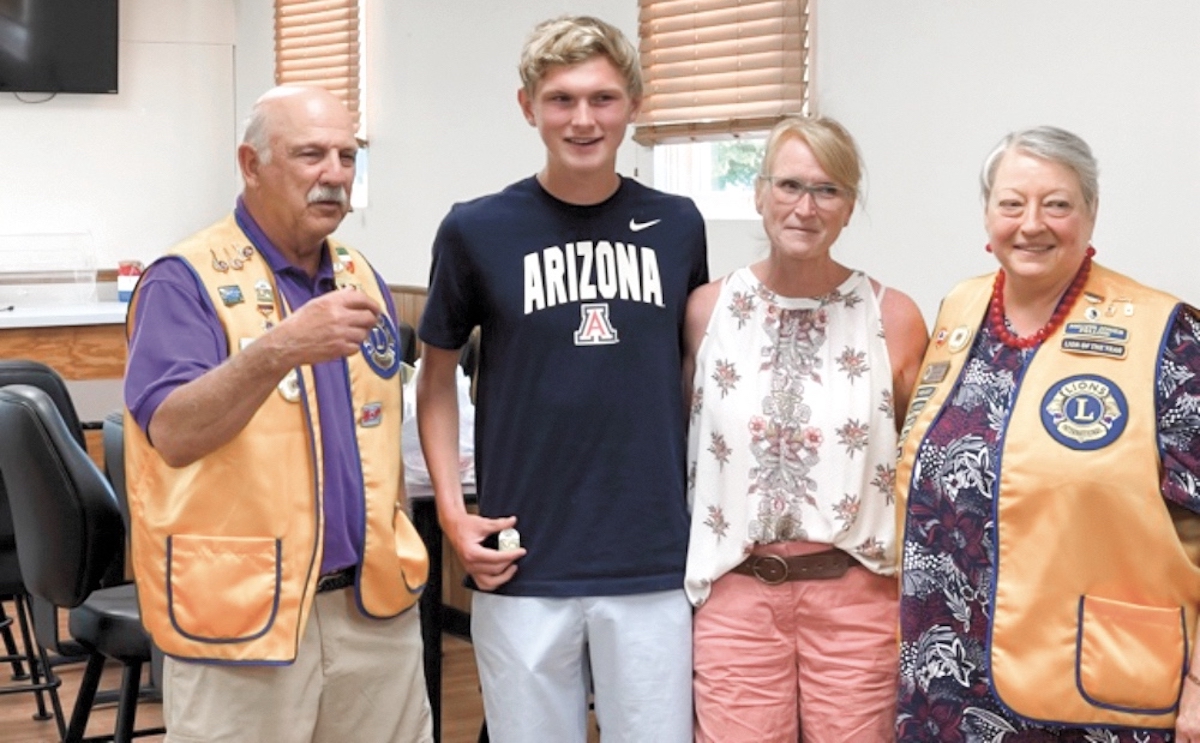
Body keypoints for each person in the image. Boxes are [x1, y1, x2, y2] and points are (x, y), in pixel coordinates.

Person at [416, 15, 708, 743]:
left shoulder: (678, 224)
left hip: (651, 557)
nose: (584, 119)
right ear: (528, 107)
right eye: (562, 99)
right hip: (523, 557)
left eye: (604, 99)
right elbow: (436, 378)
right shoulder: (476, 228)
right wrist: (454, 513)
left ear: (634, 106)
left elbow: (686, 374)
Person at [123, 86, 432, 743]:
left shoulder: (359, 275)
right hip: (244, 624)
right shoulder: (184, 280)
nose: (335, 174)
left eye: (348, 156)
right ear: (251, 163)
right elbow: (173, 433)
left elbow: (381, 435)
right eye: (310, 154)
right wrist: (279, 349)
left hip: (373, 610)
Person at [895, 126, 1200, 741]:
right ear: (988, 214)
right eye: (1012, 203)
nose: (1031, 223)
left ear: (1090, 213)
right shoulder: (961, 310)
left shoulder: (1166, 334)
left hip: (1095, 696)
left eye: (1056, 203)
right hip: (946, 686)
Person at [683, 116, 928, 742]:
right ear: (760, 194)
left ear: (850, 206)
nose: (805, 207)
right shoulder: (708, 312)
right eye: (789, 185)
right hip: (735, 597)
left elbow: (916, 466)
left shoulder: (893, 318)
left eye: (827, 190)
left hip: (854, 597)